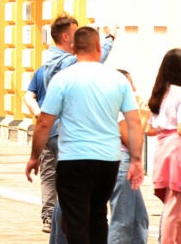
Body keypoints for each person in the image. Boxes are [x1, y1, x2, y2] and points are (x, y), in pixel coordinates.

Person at [25, 27, 143, 244]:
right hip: (108, 161)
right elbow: (134, 122)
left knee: (76, 219)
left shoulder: (62, 79)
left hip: (73, 160)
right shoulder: (118, 79)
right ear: (99, 47)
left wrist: (34, 156)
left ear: (73, 48)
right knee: (98, 216)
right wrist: (136, 159)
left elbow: (43, 123)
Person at [41, 15, 115, 240]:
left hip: (59, 135)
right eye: (76, 33)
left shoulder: (52, 59)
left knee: (68, 199)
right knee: (74, 204)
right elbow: (90, 63)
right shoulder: (63, 62)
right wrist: (109, 40)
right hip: (67, 139)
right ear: (66, 37)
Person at [106, 70, 148, 244]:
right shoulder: (121, 108)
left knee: (139, 218)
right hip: (123, 162)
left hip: (124, 163)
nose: (135, 88)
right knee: (122, 220)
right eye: (131, 84)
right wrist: (143, 116)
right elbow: (132, 140)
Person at [147, 48, 181, 244]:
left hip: (162, 149)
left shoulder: (159, 93)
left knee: (170, 201)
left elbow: (150, 129)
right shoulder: (180, 93)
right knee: (175, 205)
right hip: (177, 149)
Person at [23, 65, 54, 233]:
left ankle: (49, 216)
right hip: (71, 132)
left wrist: (38, 113)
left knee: (48, 175)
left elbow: (28, 97)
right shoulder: (77, 69)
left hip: (47, 129)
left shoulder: (43, 70)